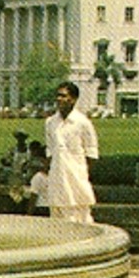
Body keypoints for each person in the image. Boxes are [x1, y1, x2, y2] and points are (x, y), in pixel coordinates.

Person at [44, 81, 99, 223]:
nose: (59, 99)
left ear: (73, 99)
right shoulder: (50, 123)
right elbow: (50, 152)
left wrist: (80, 174)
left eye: (63, 96)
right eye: (58, 95)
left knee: (79, 218)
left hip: (76, 179)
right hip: (57, 179)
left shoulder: (82, 123)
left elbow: (91, 154)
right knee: (56, 218)